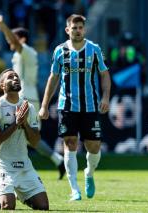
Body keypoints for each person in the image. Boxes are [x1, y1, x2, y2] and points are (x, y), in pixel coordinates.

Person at [39, 14, 111, 201]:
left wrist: (105, 97)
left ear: (84, 30)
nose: (78, 30)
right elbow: (53, 78)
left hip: (90, 106)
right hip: (67, 106)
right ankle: (74, 190)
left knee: (93, 147)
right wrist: (44, 105)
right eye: (74, 27)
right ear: (67, 30)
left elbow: (104, 74)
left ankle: (89, 173)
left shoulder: (94, 50)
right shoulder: (59, 51)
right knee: (70, 143)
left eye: (81, 27)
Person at [0, 15, 65, 180]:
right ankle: (57, 160)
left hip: (25, 98)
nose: (9, 41)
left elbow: (16, 43)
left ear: (22, 38)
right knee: (28, 138)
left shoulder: (26, 50)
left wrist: (3, 26)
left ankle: (13, 169)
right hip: (26, 97)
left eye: (12, 37)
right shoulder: (21, 54)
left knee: (22, 135)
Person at [0, 68, 49, 210]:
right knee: (7, 206)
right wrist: (16, 123)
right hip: (3, 165)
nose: (15, 79)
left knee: (43, 206)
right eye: (10, 77)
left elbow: (35, 141)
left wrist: (24, 123)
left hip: (24, 165)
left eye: (16, 76)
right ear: (2, 85)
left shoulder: (29, 107)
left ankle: (18, 193)